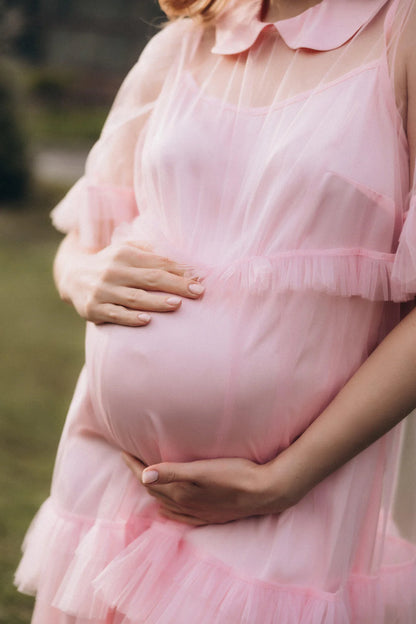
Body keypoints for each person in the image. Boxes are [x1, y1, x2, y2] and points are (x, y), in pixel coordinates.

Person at [15, 0, 416, 621]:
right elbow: (85, 232)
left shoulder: (403, 36)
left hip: (284, 500)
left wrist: (284, 478)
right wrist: (82, 275)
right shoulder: (186, 41)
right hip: (111, 474)